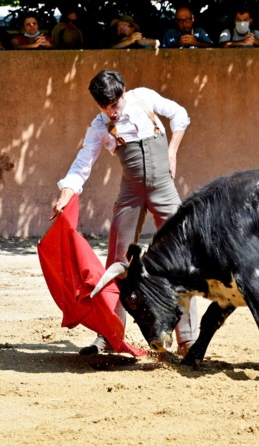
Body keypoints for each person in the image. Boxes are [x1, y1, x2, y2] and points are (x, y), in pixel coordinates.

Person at [53, 70, 199, 356]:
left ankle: (189, 339)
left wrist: (172, 151)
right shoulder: (99, 126)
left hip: (164, 190)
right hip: (130, 194)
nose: (112, 112)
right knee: (116, 263)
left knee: (182, 257)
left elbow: (180, 114)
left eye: (115, 105)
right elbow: (83, 163)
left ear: (123, 93)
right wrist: (65, 193)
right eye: (105, 107)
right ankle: (108, 334)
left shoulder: (143, 98)